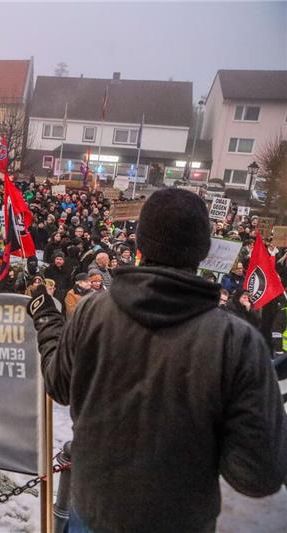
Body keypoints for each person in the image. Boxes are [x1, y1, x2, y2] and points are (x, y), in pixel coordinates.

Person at [26, 188, 287, 533]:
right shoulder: (236, 342)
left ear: (140, 244)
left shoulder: (94, 311)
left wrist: (47, 320)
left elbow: (58, 385)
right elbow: (258, 473)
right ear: (204, 252)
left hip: (94, 510)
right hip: (177, 519)